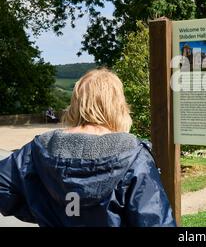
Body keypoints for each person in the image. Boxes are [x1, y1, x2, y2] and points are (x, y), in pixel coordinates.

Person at [0, 68, 175, 227]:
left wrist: (42, 210)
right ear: (117, 106)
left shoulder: (39, 148)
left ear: (76, 104)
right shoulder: (133, 155)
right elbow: (155, 221)